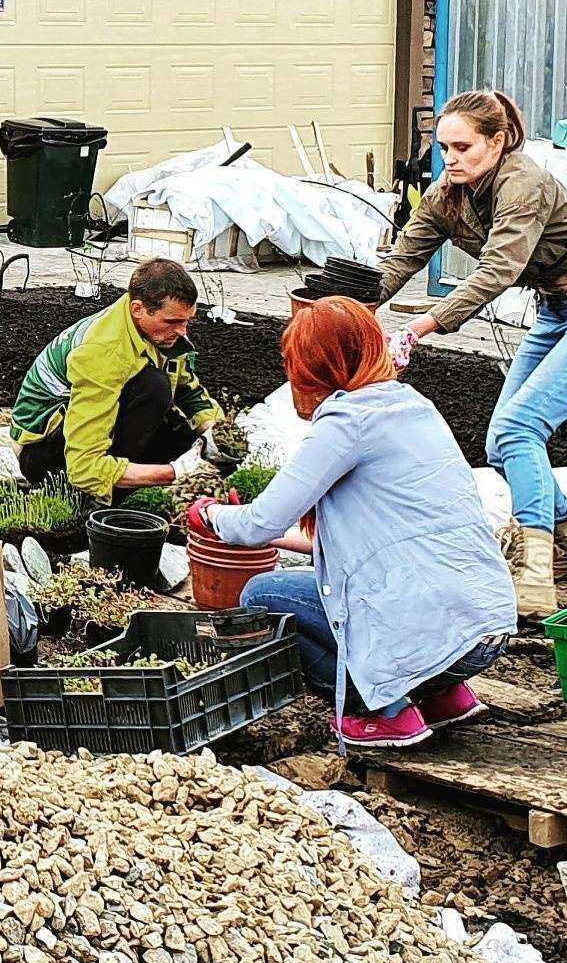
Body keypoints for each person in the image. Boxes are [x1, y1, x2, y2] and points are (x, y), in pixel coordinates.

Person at [191, 297, 516, 749]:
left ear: (317, 369)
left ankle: (388, 711)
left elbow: (259, 525)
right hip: (486, 627)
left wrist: (208, 514)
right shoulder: (410, 404)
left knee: (261, 595)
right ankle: (443, 696)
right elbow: (360, 538)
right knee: (362, 585)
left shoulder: (348, 421)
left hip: (433, 628)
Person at [377, 89, 567, 618]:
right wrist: (345, 306)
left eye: (463, 147)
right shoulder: (450, 193)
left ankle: (535, 572)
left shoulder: (523, 183)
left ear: (499, 140)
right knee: (499, 442)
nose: (451, 159)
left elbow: (498, 270)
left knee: (520, 429)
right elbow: (403, 257)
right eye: (444, 149)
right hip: (555, 311)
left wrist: (423, 325)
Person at [10, 258, 223, 502]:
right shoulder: (103, 351)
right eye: (173, 322)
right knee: (154, 387)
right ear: (138, 309)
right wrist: (174, 473)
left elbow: (187, 389)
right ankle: (100, 501)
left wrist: (215, 434)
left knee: (190, 441)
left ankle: (129, 478)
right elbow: (83, 467)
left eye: (187, 320)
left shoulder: (157, 331)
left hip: (85, 426)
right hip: (44, 454)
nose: (183, 330)